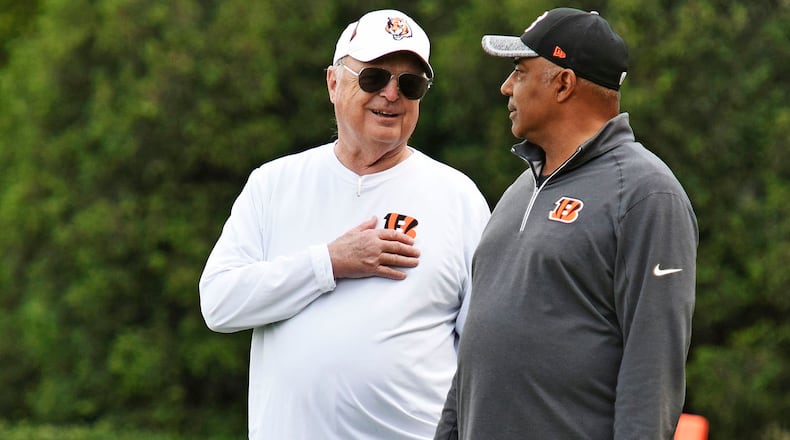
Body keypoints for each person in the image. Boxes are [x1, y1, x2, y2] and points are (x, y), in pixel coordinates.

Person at [199, 9, 490, 440]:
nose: (391, 95)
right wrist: (329, 263)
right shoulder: (274, 184)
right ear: (334, 83)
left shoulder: (458, 197)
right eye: (374, 77)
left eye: (410, 84)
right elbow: (219, 303)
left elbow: (484, 351)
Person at [435, 8, 698, 439]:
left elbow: (653, 373)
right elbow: (478, 352)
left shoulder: (646, 195)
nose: (505, 87)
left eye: (519, 71)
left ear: (563, 84)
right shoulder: (519, 189)